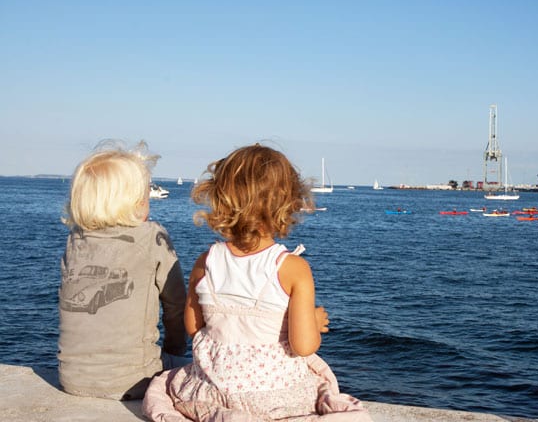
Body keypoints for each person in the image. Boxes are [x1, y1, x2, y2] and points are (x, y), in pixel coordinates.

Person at [143, 144, 370, 421]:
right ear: (289, 202)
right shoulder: (294, 268)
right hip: (275, 397)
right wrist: (311, 320)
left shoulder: (206, 261)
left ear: (221, 197)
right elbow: (304, 346)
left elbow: (193, 327)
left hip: (214, 391)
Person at [58, 140, 188, 400]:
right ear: (136, 202)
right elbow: (176, 305)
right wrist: (175, 351)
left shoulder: (75, 240)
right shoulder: (152, 237)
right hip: (135, 378)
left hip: (71, 378)